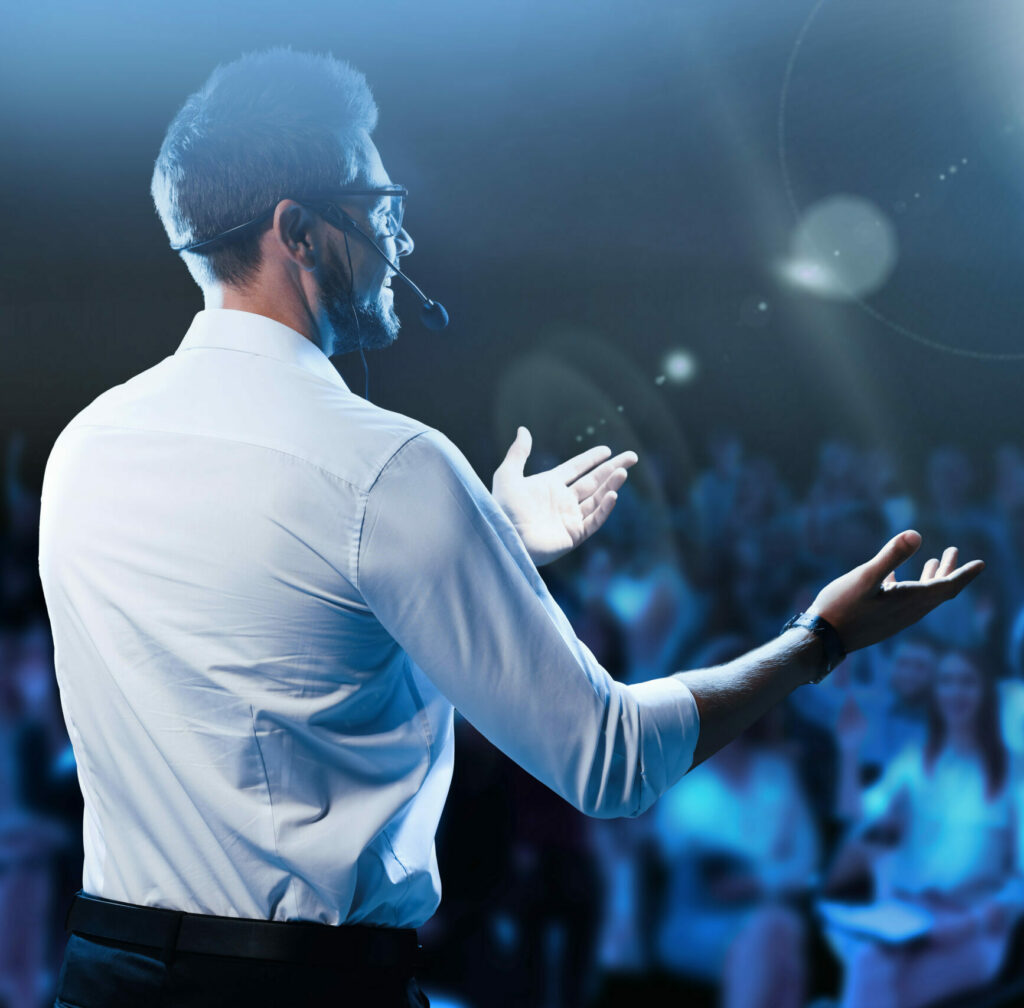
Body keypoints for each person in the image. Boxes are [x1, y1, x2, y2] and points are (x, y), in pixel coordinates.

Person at [37, 48, 984, 1007]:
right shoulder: (390, 467)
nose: (401, 243)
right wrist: (818, 640)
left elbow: (273, 636)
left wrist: (486, 540)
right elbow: (609, 761)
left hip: (100, 975)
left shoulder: (82, 448)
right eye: (381, 205)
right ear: (300, 232)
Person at [828, 647, 1024, 1008]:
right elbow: (857, 815)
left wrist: (972, 920)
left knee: (880, 988)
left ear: (986, 694)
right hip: (906, 920)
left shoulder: (1012, 773)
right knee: (870, 965)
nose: (956, 692)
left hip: (972, 929)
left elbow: (1020, 880)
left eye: (968, 682)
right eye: (947, 682)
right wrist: (849, 751)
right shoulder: (914, 760)